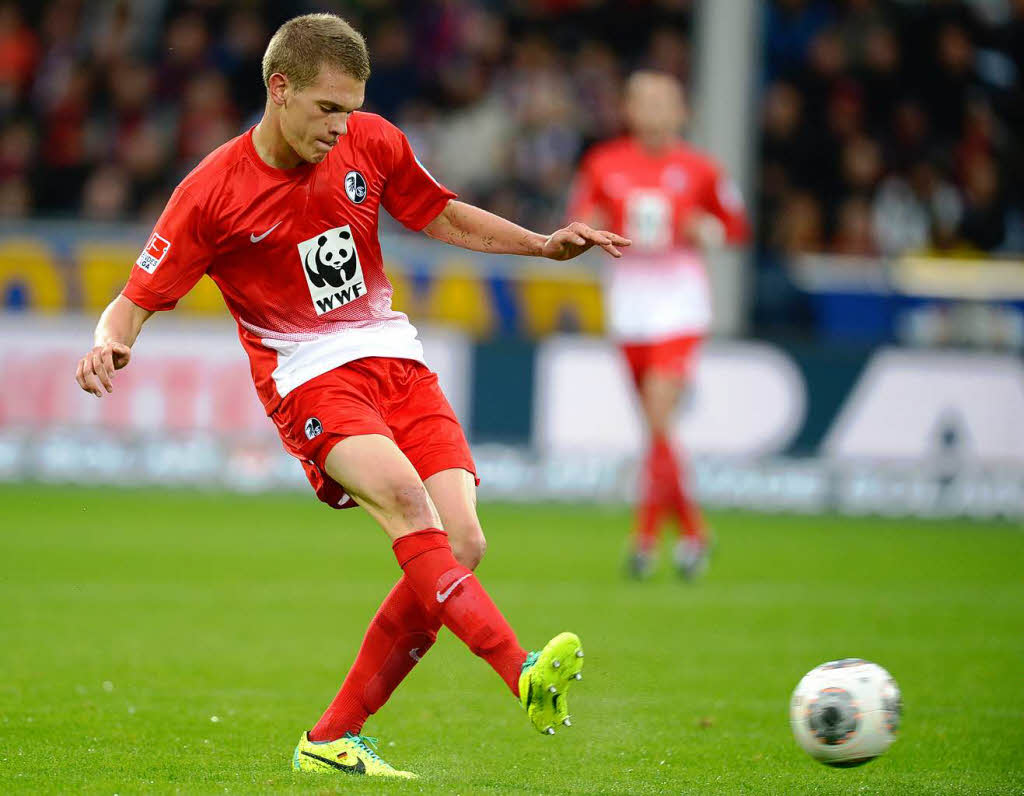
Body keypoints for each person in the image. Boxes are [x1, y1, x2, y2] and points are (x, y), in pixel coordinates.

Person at [74, 13, 629, 778]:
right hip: (307, 377)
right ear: (280, 88)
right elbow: (133, 298)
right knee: (406, 503)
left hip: (395, 360)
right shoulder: (211, 192)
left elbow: (438, 212)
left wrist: (539, 244)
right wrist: (110, 339)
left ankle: (332, 735)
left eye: (351, 108)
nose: (341, 127)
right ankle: (521, 669)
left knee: (462, 544)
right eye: (327, 108)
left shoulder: (374, 140)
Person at [567, 71, 748, 580]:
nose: (652, 111)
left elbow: (735, 226)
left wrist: (701, 229)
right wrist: (595, 231)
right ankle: (693, 533)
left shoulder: (699, 168)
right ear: (629, 109)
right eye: (642, 101)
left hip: (679, 305)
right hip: (628, 307)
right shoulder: (604, 163)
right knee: (655, 428)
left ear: (681, 111)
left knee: (658, 418)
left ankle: (646, 540)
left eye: (663, 102)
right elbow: (579, 213)